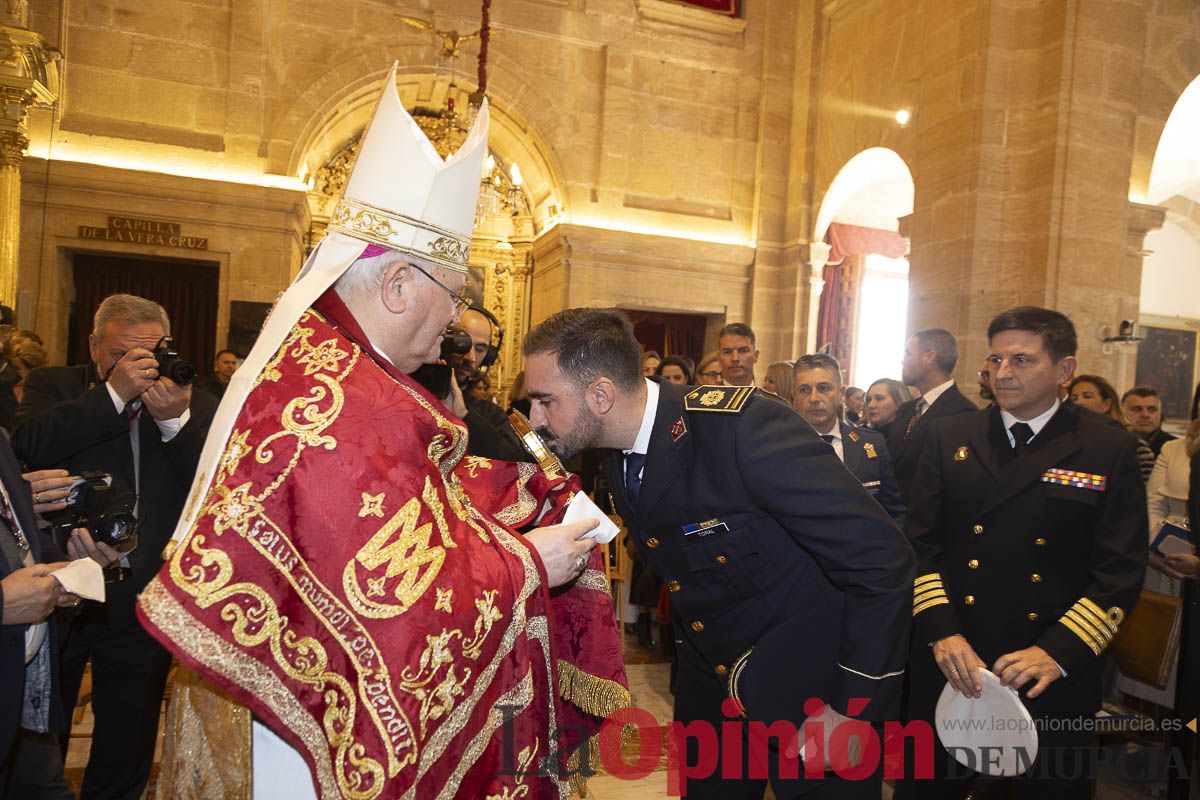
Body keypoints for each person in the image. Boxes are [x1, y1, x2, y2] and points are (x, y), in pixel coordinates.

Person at [135, 67, 627, 799]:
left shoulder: (322, 362)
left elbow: (391, 515)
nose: (454, 319)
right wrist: (529, 561)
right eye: (452, 294)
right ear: (397, 285)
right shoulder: (349, 397)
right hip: (301, 734)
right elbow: (390, 594)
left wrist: (521, 495)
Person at [523, 307, 916, 800]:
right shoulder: (616, 451)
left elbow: (883, 560)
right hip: (712, 697)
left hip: (815, 695)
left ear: (601, 395)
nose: (535, 419)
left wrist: (853, 709)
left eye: (545, 401)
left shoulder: (742, 428)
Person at [896, 307, 1147, 800]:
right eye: (995, 359)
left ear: (1065, 370)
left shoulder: (1105, 447)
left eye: (1022, 359)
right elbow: (920, 546)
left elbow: (1119, 571)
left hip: (1047, 667)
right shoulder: (951, 437)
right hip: (955, 660)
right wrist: (942, 632)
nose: (1003, 372)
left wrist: (1057, 652)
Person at [11, 294, 218, 800]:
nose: (135, 366)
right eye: (120, 354)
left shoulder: (189, 399)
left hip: (141, 593)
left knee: (127, 740)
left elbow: (214, 486)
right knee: (40, 739)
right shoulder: (55, 386)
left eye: (147, 353)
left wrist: (174, 423)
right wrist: (112, 394)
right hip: (56, 590)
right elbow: (26, 446)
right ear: (92, 346)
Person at [1116, 389, 1199, 707]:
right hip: (1166, 560)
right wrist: (1156, 545)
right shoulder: (1174, 448)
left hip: (1194, 562)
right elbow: (1152, 501)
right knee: (1156, 651)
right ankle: (1154, 725)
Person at [793, 354, 905, 524]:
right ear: (794, 398)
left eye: (824, 388)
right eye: (804, 390)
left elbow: (893, 511)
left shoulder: (872, 443)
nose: (814, 398)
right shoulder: (778, 448)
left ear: (841, 394)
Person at [888, 329, 978, 502]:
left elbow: (955, 482)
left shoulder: (963, 413)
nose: (902, 361)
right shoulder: (906, 409)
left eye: (908, 354)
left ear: (929, 358)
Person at [447, 306, 528, 462]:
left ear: (489, 356)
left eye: (480, 349)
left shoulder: (491, 414)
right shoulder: (409, 393)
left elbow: (512, 461)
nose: (471, 357)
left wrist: (465, 415)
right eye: (463, 344)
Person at [1069, 374, 1157, 481]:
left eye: (1087, 396)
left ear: (1106, 404)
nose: (1079, 402)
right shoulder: (1064, 441)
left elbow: (1142, 488)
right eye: (1073, 398)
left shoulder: (1133, 445)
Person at [1122, 386, 1177, 457]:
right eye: (1137, 409)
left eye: (1152, 410)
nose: (1145, 415)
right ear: (1122, 412)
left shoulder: (1175, 447)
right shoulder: (1113, 443)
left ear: (1160, 413)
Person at [716, 323, 759, 387]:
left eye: (743, 351)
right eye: (727, 352)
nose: (735, 358)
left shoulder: (767, 394)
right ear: (719, 358)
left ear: (755, 356)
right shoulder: (704, 393)